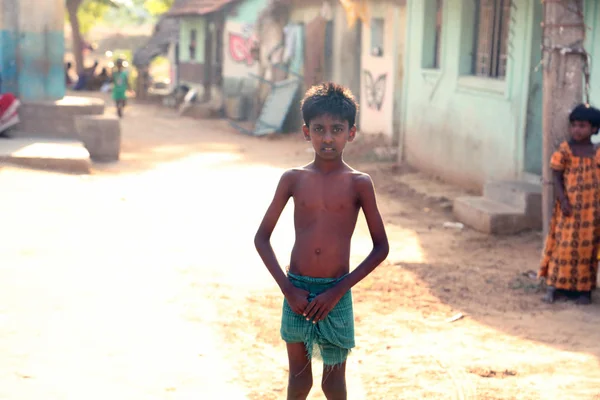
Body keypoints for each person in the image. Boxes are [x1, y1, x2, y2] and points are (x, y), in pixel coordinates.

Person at [254, 82, 389, 399]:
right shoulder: (293, 179)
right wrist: (288, 290)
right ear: (306, 132)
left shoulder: (359, 184)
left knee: (334, 383)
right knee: (299, 380)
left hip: (336, 293)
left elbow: (381, 247)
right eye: (319, 129)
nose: (328, 138)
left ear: (351, 133)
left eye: (337, 129)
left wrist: (338, 290)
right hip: (297, 291)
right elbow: (262, 238)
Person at [539, 103, 600, 305]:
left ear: (594, 129)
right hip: (569, 209)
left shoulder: (596, 151)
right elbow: (556, 175)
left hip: (592, 212)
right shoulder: (566, 150)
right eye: (573, 125)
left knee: (588, 250)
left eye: (582, 126)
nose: (576, 130)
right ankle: (555, 287)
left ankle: (584, 290)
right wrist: (563, 199)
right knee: (563, 247)